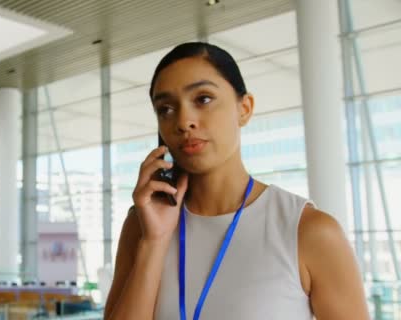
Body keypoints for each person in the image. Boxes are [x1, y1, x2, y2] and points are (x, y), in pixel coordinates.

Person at [104, 42, 369, 319]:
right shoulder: (141, 226)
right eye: (166, 109)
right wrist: (154, 242)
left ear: (244, 108)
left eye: (203, 99)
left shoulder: (308, 231)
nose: (184, 121)